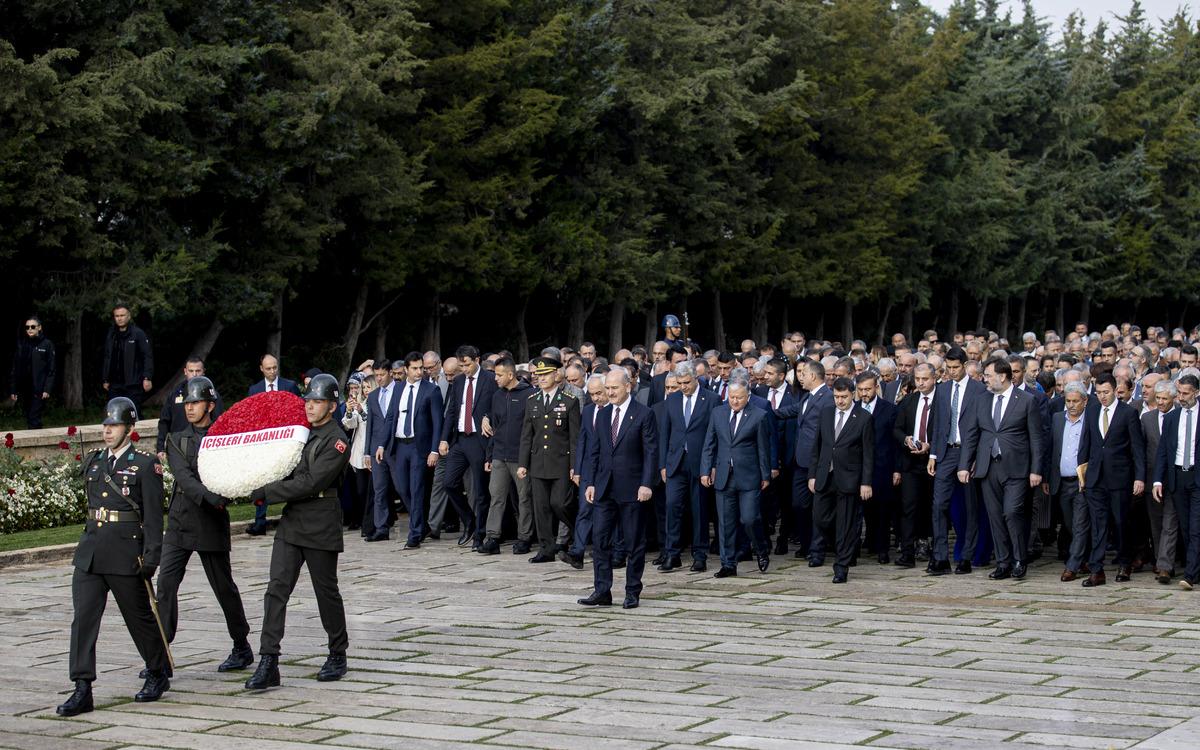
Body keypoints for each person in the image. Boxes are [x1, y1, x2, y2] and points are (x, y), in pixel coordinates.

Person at [57, 397, 169, 716]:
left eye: (114, 425)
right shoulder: (94, 461)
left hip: (125, 553)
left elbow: (153, 517)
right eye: (106, 425)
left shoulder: (145, 465)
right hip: (91, 553)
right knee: (83, 621)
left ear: (129, 428)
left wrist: (151, 557)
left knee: (139, 618)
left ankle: (157, 672)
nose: (108, 431)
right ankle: (82, 687)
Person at [245, 374, 352, 689]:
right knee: (276, 590)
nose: (310, 406)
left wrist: (267, 492)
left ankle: (337, 652)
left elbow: (312, 482)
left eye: (317, 402)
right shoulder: (299, 434)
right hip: (293, 522)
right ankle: (268, 660)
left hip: (320, 520)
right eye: (308, 400)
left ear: (331, 406)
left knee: (325, 592)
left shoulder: (337, 440)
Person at [157, 376, 252, 675]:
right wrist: (213, 497)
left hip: (210, 522)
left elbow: (236, 471)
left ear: (210, 405)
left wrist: (223, 495)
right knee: (166, 586)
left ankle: (241, 645)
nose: (190, 408)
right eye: (187, 403)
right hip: (182, 520)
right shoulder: (176, 439)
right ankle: (159, 652)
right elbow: (183, 478)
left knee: (223, 587)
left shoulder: (226, 438)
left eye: (196, 403)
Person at [959, 358, 1044, 581]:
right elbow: (971, 435)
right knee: (995, 516)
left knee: (1012, 512)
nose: (984, 379)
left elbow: (1036, 438)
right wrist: (964, 465)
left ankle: (1019, 559)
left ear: (1002, 376)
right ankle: (1003, 561)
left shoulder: (1026, 400)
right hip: (989, 468)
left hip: (1017, 468)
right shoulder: (981, 400)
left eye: (987, 375)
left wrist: (1036, 470)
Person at [579, 369, 658, 609]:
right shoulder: (602, 415)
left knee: (634, 543)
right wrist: (590, 481)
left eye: (614, 388)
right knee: (600, 541)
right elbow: (595, 451)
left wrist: (646, 483)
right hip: (604, 488)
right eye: (608, 388)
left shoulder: (644, 414)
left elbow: (651, 452)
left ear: (628, 387)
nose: (610, 393)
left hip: (633, 488)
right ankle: (602, 590)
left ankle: (632, 591)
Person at [1077, 373, 1145, 587]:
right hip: (1095, 478)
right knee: (1098, 524)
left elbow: (1137, 448)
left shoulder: (1128, 413)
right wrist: (1082, 472)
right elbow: (1086, 442)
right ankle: (1097, 570)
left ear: (1115, 390)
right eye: (1098, 393)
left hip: (1120, 478)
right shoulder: (1092, 410)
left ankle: (1125, 562)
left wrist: (1140, 478)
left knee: (1120, 521)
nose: (1102, 396)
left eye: (1106, 392)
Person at [701, 381, 772, 577]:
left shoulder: (759, 416)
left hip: (749, 476)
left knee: (749, 519)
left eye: (739, 397)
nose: (735, 401)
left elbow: (763, 449)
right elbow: (709, 444)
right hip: (724, 476)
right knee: (725, 523)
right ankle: (728, 564)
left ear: (747, 396)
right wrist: (705, 471)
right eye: (732, 397)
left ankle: (761, 548)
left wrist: (765, 475)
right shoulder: (718, 413)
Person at [807, 378, 875, 584]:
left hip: (849, 478)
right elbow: (817, 446)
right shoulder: (826, 413)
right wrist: (812, 474)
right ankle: (839, 545)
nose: (840, 401)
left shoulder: (863, 417)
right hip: (824, 476)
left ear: (852, 394)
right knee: (820, 517)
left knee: (846, 525)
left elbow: (868, 453)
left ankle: (842, 566)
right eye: (836, 397)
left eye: (844, 397)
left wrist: (866, 482)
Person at [926, 347, 987, 575]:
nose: (952, 372)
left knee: (971, 507)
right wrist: (933, 454)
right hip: (946, 452)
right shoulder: (942, 390)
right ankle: (941, 558)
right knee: (938, 505)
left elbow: (983, 426)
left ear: (964, 365)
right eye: (948, 368)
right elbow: (939, 423)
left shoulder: (979, 390)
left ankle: (966, 557)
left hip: (968, 453)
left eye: (955, 367)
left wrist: (975, 459)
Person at [373, 352, 443, 548]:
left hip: (419, 447)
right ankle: (421, 524)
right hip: (399, 446)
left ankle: (414, 534)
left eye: (421, 368)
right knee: (402, 488)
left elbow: (438, 423)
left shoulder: (431, 391)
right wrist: (381, 445)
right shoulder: (398, 389)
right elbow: (390, 418)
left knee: (417, 488)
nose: (419, 371)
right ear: (405, 369)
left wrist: (434, 450)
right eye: (414, 368)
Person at [518, 356, 581, 562]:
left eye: (545, 374)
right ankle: (546, 549)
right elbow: (527, 436)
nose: (541, 378)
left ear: (556, 374)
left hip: (561, 463)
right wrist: (522, 464)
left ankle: (579, 533)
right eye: (538, 375)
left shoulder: (569, 402)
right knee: (541, 508)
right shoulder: (532, 401)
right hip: (538, 463)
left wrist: (575, 466)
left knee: (560, 504)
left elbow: (574, 438)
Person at [660, 360, 719, 572]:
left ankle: (700, 554)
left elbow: (716, 435)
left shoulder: (711, 399)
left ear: (696, 378)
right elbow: (665, 433)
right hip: (675, 462)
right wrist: (663, 464)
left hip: (700, 463)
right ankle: (672, 553)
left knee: (700, 510)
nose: (683, 386)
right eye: (679, 383)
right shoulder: (672, 399)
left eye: (686, 382)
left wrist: (712, 464)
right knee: (672, 507)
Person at [439, 345, 497, 549]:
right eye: (461, 365)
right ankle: (469, 520)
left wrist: (488, 418)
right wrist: (444, 439)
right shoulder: (459, 381)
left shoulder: (490, 380)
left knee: (481, 491)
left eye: (467, 365)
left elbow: (496, 406)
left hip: (479, 440)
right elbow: (452, 412)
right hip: (460, 439)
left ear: (477, 360)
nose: (464, 369)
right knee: (449, 483)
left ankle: (480, 535)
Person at [482, 357, 536, 554]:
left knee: (524, 498)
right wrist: (489, 456)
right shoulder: (497, 396)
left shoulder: (530, 394)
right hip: (499, 455)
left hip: (520, 457)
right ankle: (492, 537)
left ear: (511, 375)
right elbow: (494, 428)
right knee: (496, 496)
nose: (495, 378)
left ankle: (525, 537)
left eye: (499, 375)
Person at [1152, 374, 1200, 590]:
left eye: (1186, 393)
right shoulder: (1172, 418)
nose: (1181, 397)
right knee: (1185, 526)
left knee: (1196, 527)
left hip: (1197, 476)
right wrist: (1157, 481)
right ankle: (1195, 568)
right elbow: (1163, 451)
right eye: (1179, 393)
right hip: (1177, 477)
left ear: (1197, 393)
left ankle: (1190, 574)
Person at [893, 363, 936, 567]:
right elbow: (897, 429)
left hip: (934, 462)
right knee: (908, 506)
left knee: (932, 506)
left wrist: (930, 446)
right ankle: (907, 552)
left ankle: (931, 545)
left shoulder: (943, 401)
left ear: (934, 378)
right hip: (911, 461)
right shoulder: (909, 401)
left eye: (925, 379)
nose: (920, 383)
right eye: (917, 379)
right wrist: (906, 439)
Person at [1142, 380, 1178, 584]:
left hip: (1174, 479)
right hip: (1151, 479)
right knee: (1155, 524)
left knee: (1169, 523)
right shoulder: (1147, 419)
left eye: (1165, 398)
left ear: (1174, 398)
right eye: (1159, 398)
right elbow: (1141, 449)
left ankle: (1165, 566)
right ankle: (1160, 560)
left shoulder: (1180, 415)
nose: (1161, 402)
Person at [1053, 383, 1089, 581]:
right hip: (1062, 480)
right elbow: (1053, 449)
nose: (1072, 405)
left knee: (1079, 524)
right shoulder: (1058, 419)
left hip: (1081, 482)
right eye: (1068, 401)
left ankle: (1072, 565)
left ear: (1085, 401)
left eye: (1076, 401)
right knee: (1068, 524)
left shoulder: (1090, 420)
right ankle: (1083, 558)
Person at [156, 357, 224, 461]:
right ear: (185, 371)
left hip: (203, 446)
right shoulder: (175, 394)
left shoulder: (211, 395)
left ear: (203, 372)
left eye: (198, 371)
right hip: (178, 446)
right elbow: (164, 422)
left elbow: (219, 422)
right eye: (191, 371)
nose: (194, 374)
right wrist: (160, 448)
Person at [101, 303, 153, 410]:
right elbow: (107, 357)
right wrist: (105, 379)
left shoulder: (138, 333)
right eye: (117, 316)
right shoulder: (111, 334)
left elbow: (147, 356)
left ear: (128, 316)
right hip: (115, 384)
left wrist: (147, 377)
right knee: (115, 413)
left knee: (133, 413)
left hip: (133, 383)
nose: (120, 318)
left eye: (122, 315)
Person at [9, 315, 55, 428]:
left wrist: (47, 389)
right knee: (30, 418)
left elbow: (51, 369)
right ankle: (38, 441)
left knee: (34, 417)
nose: (30, 329)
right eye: (27, 327)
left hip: (39, 389)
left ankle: (38, 442)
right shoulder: (22, 345)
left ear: (39, 327)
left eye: (33, 326)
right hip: (25, 389)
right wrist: (13, 389)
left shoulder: (47, 344)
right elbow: (15, 369)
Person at [339, 373, 372, 531]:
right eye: (363, 388)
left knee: (373, 491)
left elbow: (373, 424)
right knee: (360, 490)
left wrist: (361, 411)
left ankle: (370, 522)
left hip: (373, 451)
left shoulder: (377, 402)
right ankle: (361, 520)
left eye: (367, 387)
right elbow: (349, 425)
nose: (365, 390)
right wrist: (351, 411)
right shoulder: (361, 403)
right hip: (358, 453)